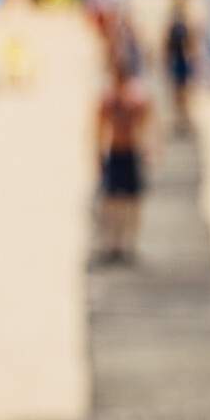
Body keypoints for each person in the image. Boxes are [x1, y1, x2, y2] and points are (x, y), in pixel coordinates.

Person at [94, 50, 152, 265]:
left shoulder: (135, 97)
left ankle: (126, 243)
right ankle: (113, 243)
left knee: (129, 201)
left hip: (129, 151)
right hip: (117, 151)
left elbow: (146, 123)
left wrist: (148, 148)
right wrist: (98, 152)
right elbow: (99, 126)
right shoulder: (109, 98)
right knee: (112, 201)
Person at [162, 0, 201, 132]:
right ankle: (179, 120)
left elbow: (192, 42)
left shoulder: (185, 20)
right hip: (177, 60)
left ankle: (184, 120)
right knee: (176, 93)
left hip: (183, 60)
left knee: (184, 93)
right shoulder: (173, 20)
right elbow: (167, 44)